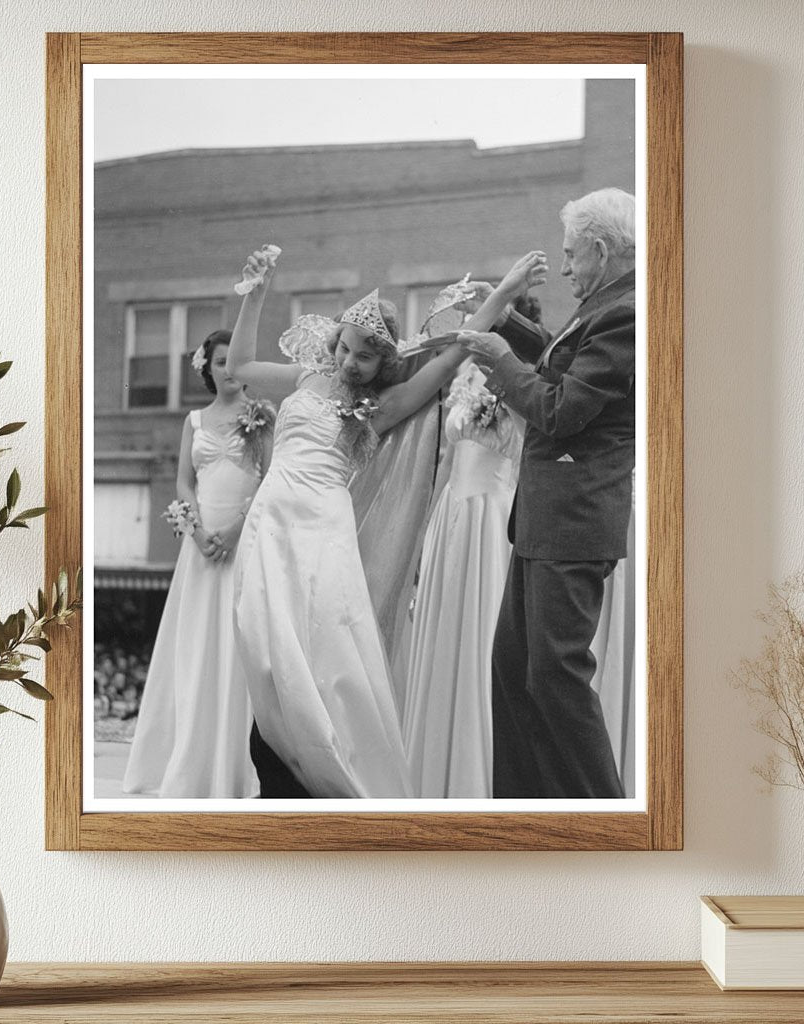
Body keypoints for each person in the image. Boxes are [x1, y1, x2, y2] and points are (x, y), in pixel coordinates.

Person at [227, 246, 545, 798]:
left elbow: (449, 359)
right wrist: (254, 297)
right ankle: (277, 756)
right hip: (268, 530)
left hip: (322, 535)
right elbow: (239, 370)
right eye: (345, 349)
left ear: (383, 364)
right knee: (264, 648)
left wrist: (505, 292)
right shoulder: (305, 380)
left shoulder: (383, 407)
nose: (351, 363)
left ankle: (324, 766)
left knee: (325, 650)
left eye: (365, 357)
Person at [458, 187, 636, 799]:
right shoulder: (609, 305)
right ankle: (524, 816)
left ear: (601, 249)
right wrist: (504, 321)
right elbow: (564, 364)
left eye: (571, 257)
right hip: (543, 521)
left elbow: (560, 410)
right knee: (514, 672)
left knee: (555, 676)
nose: (564, 269)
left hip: (573, 521)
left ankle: (607, 818)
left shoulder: (630, 311)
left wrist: (502, 361)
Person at [122, 329, 273, 798]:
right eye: (221, 361)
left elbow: (269, 478)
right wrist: (201, 532)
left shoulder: (261, 415)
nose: (229, 370)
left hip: (244, 544)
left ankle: (233, 765)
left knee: (236, 645)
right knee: (194, 647)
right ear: (206, 366)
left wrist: (235, 531)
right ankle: (187, 759)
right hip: (201, 550)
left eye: (236, 361)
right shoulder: (194, 420)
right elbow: (184, 483)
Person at [401, 360, 523, 798]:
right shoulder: (465, 376)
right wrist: (422, 539)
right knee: (443, 635)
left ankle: (480, 772)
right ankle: (433, 767)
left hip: (491, 521)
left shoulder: (525, 377)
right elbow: (447, 461)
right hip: (451, 517)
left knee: (483, 632)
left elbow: (525, 460)